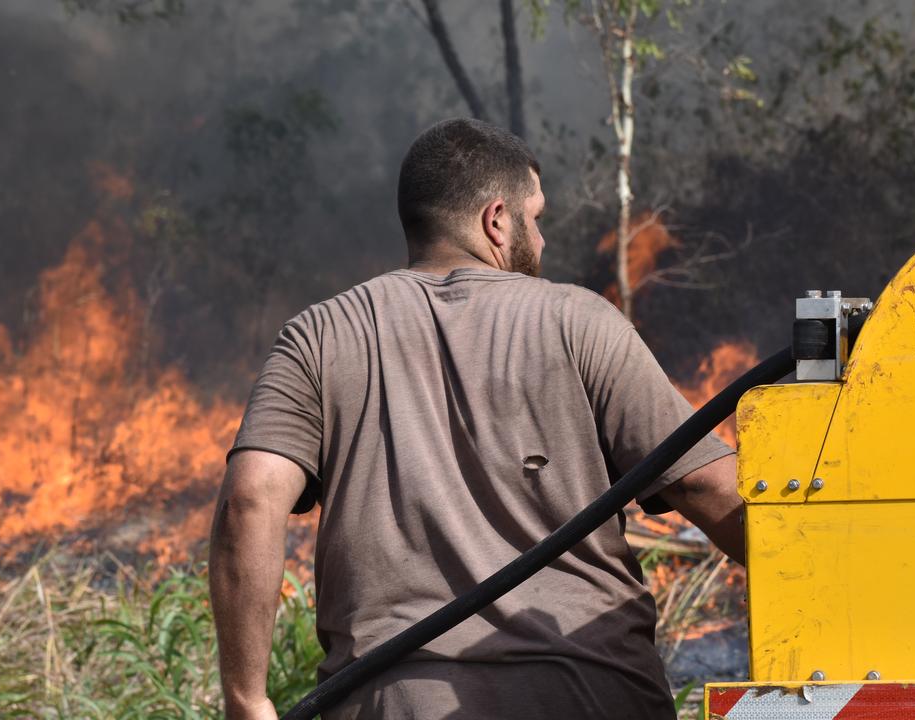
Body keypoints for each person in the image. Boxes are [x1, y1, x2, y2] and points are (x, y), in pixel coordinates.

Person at [209, 118, 743, 720]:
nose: (540, 243)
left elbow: (249, 500)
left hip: (395, 703)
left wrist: (247, 699)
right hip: (588, 693)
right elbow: (704, 485)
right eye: (534, 219)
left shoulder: (319, 335)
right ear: (496, 220)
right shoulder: (580, 323)